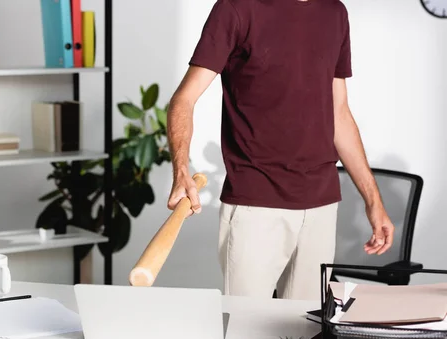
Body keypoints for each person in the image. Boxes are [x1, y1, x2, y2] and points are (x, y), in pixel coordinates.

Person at [165, 0, 394, 300]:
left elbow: (339, 112)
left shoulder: (335, 13)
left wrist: (373, 201)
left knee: (307, 334)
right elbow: (184, 99)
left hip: (321, 207)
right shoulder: (236, 8)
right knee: (245, 331)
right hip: (256, 206)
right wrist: (181, 170)